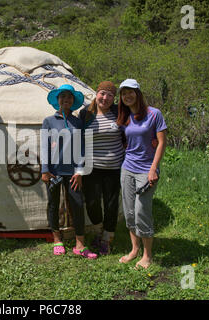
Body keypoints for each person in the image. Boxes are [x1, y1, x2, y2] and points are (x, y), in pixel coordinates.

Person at [41, 84, 97, 259]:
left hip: (72, 172)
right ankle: (57, 239)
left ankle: (79, 243)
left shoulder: (77, 122)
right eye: (63, 97)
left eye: (69, 97)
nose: (66, 100)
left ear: (73, 101)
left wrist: (80, 171)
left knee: (77, 204)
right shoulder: (49, 121)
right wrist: (44, 170)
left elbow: (82, 148)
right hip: (54, 172)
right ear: (58, 100)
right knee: (53, 204)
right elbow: (44, 147)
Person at [116, 79, 167, 269]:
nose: (127, 96)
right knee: (129, 212)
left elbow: (161, 142)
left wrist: (154, 168)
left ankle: (147, 255)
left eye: (131, 92)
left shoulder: (154, 114)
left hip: (147, 169)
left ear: (138, 93)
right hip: (127, 168)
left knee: (141, 211)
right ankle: (134, 249)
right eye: (123, 93)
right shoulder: (125, 116)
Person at [78, 81, 125, 255]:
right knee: (92, 202)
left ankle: (107, 238)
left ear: (114, 98)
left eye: (110, 95)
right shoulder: (86, 114)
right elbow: (78, 138)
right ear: (96, 94)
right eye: (102, 93)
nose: (105, 98)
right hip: (91, 167)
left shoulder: (118, 113)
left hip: (113, 167)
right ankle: (98, 230)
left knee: (112, 204)